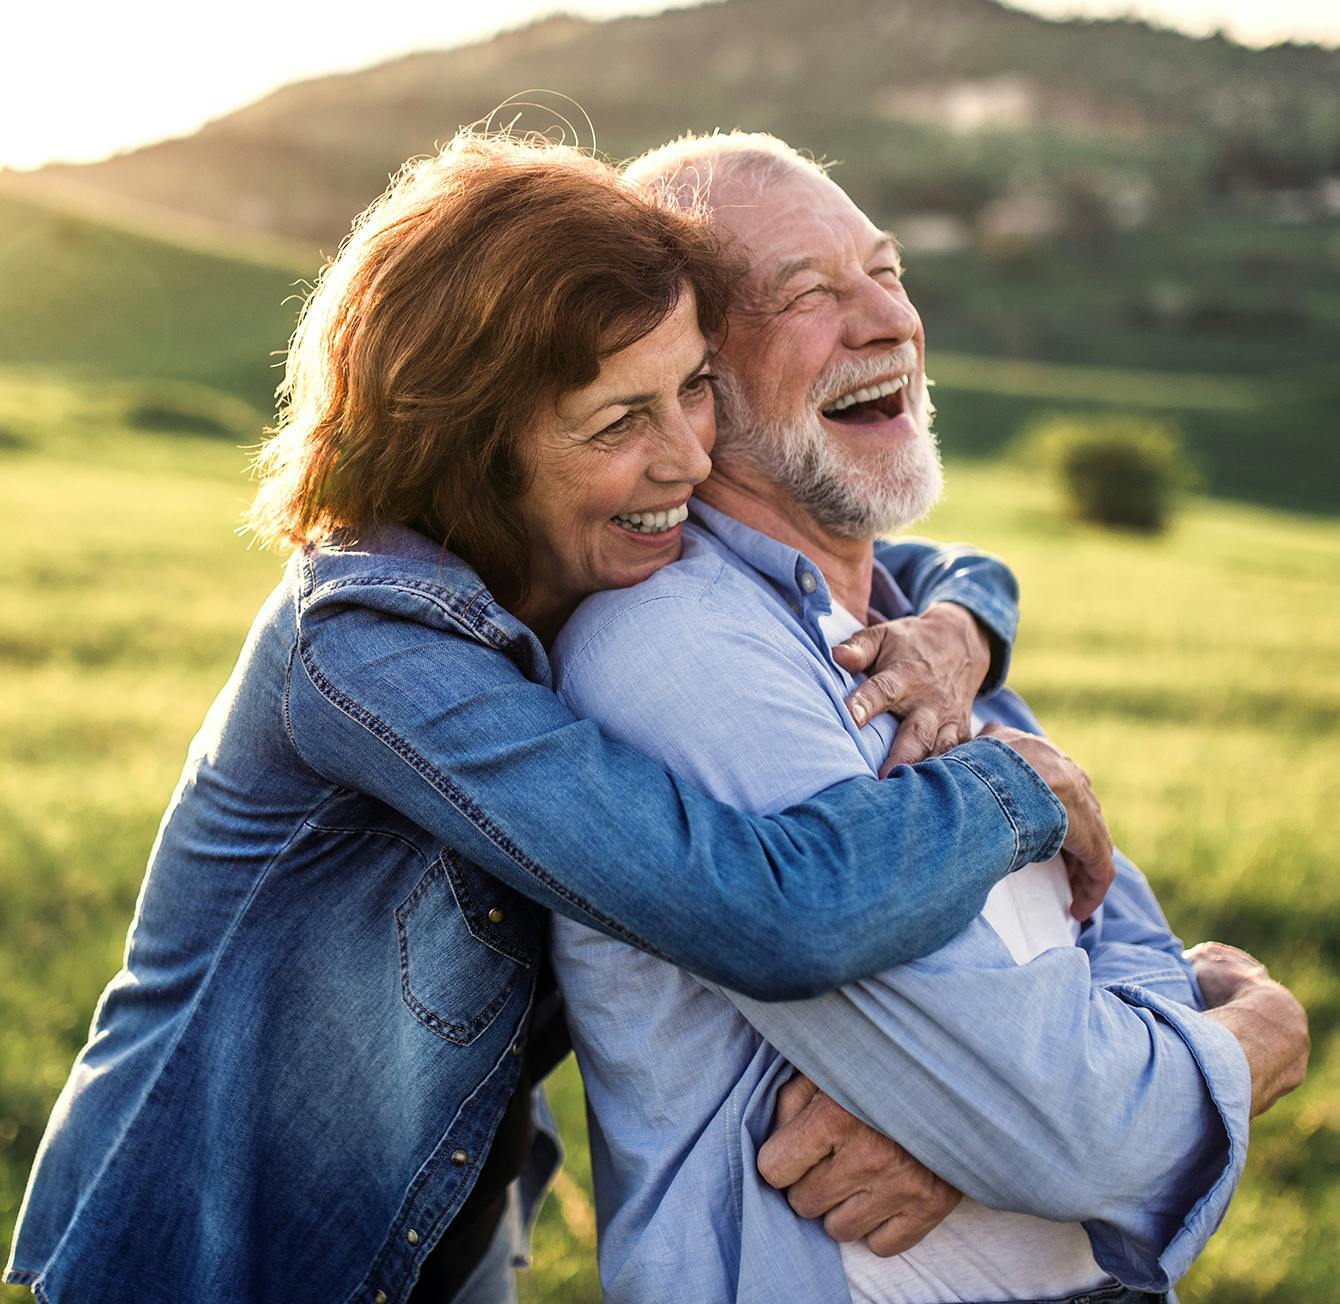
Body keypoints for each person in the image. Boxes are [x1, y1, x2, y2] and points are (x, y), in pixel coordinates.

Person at [1, 132, 1119, 1304]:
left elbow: (934, 561)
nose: (686, 457)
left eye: (691, 386)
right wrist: (1015, 788)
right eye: (616, 422)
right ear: (474, 450)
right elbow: (761, 910)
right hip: (231, 1255)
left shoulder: (577, 550)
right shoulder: (366, 652)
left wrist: (957, 632)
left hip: (449, 1218)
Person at [549, 132, 1310, 1304]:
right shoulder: (683, 648)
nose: (886, 322)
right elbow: (1077, 1131)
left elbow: (1118, 950)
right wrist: (1260, 1035)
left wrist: (977, 1119)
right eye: (805, 293)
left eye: (887, 271)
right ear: (691, 379)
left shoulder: (922, 636)